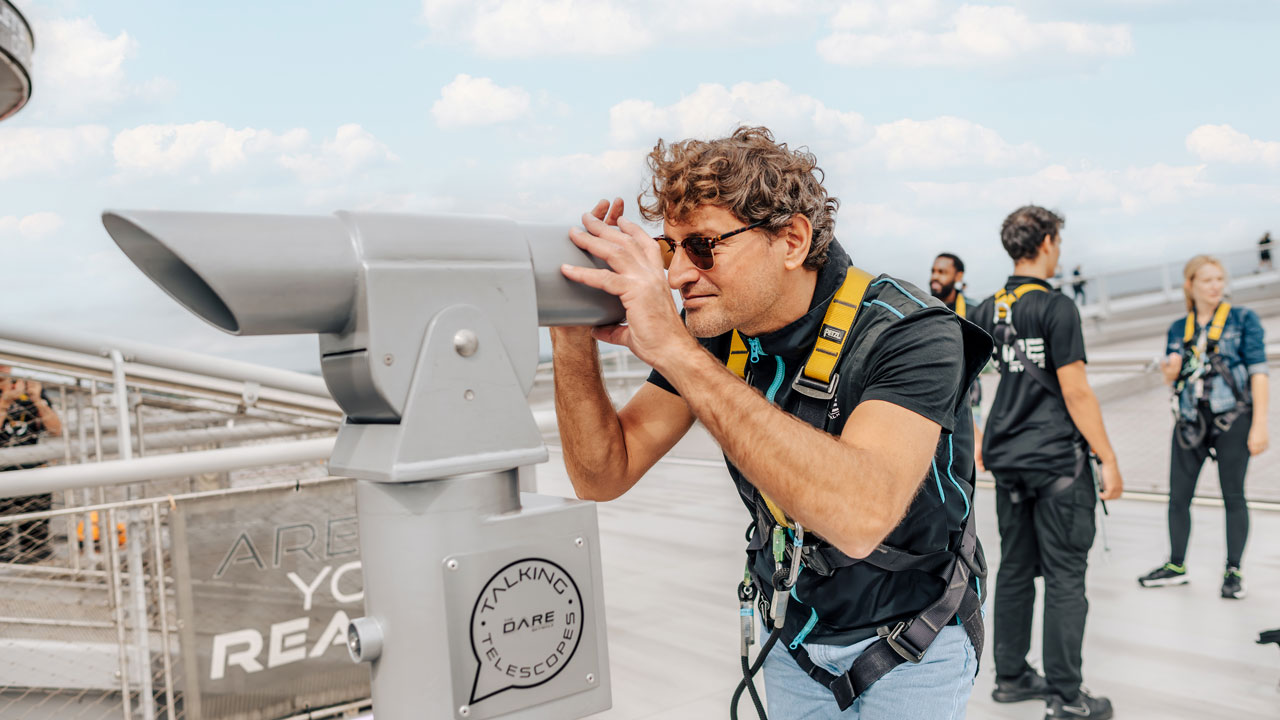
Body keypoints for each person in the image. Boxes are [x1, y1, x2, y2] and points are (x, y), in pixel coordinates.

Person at [552, 126, 991, 719]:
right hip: (796, 637)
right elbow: (602, 474)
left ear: (790, 240)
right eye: (668, 250)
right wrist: (570, 333)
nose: (679, 276)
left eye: (703, 248)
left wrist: (675, 352)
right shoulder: (716, 335)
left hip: (915, 638)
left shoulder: (911, 330)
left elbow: (859, 517)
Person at [969, 206, 1124, 720]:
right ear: (1049, 241)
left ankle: (1011, 678)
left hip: (1008, 461)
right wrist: (1108, 457)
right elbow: (1076, 392)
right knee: (1064, 576)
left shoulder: (987, 308)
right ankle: (1066, 695)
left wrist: (975, 438)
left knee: (1014, 570)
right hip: (1057, 461)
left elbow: (957, 384)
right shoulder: (1056, 308)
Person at [1138, 256, 1268, 599]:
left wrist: (1260, 425)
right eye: (1207, 280)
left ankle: (1233, 571)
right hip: (1190, 419)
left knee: (1233, 495)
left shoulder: (1242, 320)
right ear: (1190, 285)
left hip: (1233, 418)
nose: (1215, 286)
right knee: (1178, 496)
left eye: (1219, 279)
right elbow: (1171, 376)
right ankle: (1176, 565)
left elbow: (1259, 372)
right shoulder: (1179, 328)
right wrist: (1170, 368)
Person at [1, 364, 63, 563]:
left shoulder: (29, 387)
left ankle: (38, 569)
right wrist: (5, 401)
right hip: (2, 475)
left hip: (32, 471)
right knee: (2, 544)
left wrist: (37, 399)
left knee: (36, 541)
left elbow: (56, 430)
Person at [930, 252, 984, 470]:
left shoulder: (975, 311)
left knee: (965, 469)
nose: (935, 277)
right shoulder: (924, 308)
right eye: (934, 271)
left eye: (942, 272)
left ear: (958, 275)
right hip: (933, 402)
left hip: (970, 403)